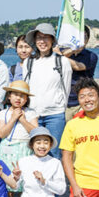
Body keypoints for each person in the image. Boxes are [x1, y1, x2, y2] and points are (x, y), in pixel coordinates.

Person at [0, 127, 65, 197]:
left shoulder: (55, 163)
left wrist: (45, 182)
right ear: (32, 145)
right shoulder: (24, 161)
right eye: (38, 142)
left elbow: (62, 189)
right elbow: (14, 186)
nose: (42, 146)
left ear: (50, 144)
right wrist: (16, 177)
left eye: (46, 142)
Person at [22, 23, 72, 159]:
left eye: (46, 38)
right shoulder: (29, 62)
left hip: (55, 115)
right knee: (34, 152)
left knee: (54, 153)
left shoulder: (62, 61)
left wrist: (59, 107)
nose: (42, 41)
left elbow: (65, 89)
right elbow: (26, 87)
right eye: (39, 37)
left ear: (52, 40)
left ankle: (54, 180)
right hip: (33, 114)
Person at [0, 80, 38, 197]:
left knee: (26, 182)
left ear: (26, 99)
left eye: (22, 95)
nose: (18, 98)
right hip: (6, 148)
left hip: (25, 149)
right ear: (9, 96)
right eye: (15, 94)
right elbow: (1, 134)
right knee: (7, 181)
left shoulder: (30, 112)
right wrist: (13, 118)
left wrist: (23, 120)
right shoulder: (3, 113)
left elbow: (35, 132)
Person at [57, 25, 99, 119]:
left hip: (82, 101)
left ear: (87, 40)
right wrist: (68, 51)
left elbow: (78, 66)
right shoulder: (63, 53)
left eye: (83, 37)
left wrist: (60, 56)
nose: (80, 40)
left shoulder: (91, 56)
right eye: (77, 37)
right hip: (64, 101)